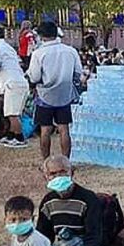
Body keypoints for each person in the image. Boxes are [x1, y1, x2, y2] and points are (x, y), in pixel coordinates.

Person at [37, 155, 105, 246]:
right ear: (45, 176)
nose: (58, 177)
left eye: (63, 172)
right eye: (53, 173)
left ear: (72, 172)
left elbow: (94, 236)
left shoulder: (88, 199)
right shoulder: (48, 202)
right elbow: (43, 236)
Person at [27, 22, 82, 159]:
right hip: (65, 94)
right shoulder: (70, 50)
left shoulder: (38, 53)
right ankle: (66, 160)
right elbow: (78, 73)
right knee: (64, 129)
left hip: (45, 95)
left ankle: (46, 161)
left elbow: (34, 77)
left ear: (41, 35)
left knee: (45, 129)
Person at [0, 25, 30, 147]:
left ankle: (19, 138)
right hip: (19, 81)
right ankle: (11, 135)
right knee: (11, 112)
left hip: (12, 83)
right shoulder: (9, 47)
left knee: (12, 114)